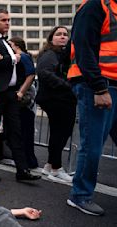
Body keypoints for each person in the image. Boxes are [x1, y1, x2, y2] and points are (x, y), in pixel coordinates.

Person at [66, 0, 117, 216]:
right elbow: (83, 47)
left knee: (94, 143)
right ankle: (80, 195)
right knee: (93, 144)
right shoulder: (95, 5)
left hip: (111, 83)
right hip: (97, 85)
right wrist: (98, 88)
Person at [0, 9, 41, 182]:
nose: (7, 23)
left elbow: (12, 64)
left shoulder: (7, 43)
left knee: (16, 131)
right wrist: (13, 58)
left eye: (9, 20)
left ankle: (22, 170)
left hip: (11, 94)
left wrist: (7, 59)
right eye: (3, 20)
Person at [35, 26, 76, 183]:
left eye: (65, 34)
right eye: (58, 34)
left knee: (58, 133)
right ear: (51, 38)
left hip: (58, 99)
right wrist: (68, 86)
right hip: (57, 99)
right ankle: (56, 169)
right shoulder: (50, 54)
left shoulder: (59, 54)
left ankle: (50, 165)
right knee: (60, 134)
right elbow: (45, 74)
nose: (63, 37)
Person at [8, 37, 38, 170]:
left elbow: (31, 74)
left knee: (24, 131)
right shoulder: (22, 56)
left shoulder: (22, 56)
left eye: (9, 45)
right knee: (22, 131)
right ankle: (27, 160)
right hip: (24, 99)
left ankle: (28, 161)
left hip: (23, 100)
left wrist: (20, 92)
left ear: (15, 45)